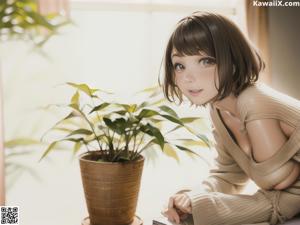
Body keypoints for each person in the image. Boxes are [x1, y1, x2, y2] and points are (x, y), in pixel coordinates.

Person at [160, 11, 300, 225]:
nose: (188, 77)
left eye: (206, 61)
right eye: (180, 65)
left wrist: (203, 205)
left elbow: (278, 181)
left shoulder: (253, 101)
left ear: (233, 61)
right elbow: (229, 175)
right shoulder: (219, 110)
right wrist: (191, 197)